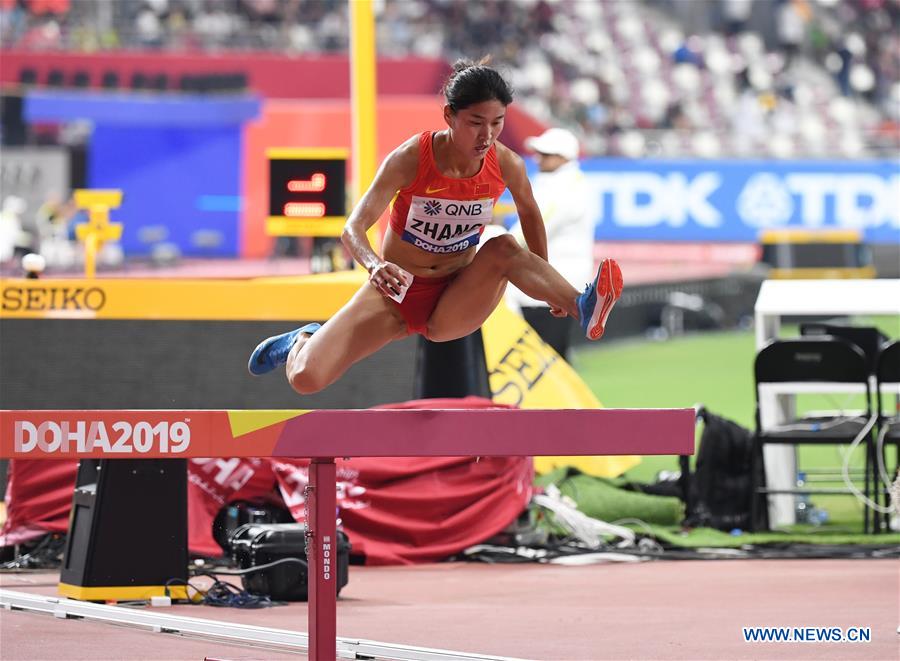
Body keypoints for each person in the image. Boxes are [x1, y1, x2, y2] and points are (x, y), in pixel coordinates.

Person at [248, 59, 623, 395]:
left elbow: (530, 213)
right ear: (449, 116)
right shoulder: (412, 157)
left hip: (456, 296)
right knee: (306, 379)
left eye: (497, 123)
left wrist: (548, 285)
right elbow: (353, 228)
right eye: (476, 123)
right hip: (396, 293)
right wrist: (374, 265)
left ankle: (579, 302)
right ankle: (304, 338)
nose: (487, 136)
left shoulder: (506, 163)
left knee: (503, 246)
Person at [505, 127, 596, 360]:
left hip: (549, 285)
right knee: (551, 357)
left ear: (563, 157)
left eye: (545, 154)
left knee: (542, 360)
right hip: (556, 281)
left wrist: (493, 249)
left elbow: (533, 229)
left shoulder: (563, 189)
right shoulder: (569, 183)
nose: (538, 158)